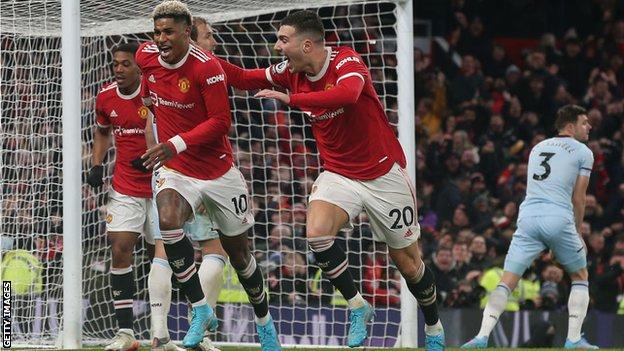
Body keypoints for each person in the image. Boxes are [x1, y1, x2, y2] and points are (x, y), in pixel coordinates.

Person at [215, 10, 445, 350]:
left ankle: (435, 328)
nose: (277, 47)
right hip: (338, 172)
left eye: (283, 40)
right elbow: (245, 77)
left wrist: (292, 100)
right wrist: (200, 57)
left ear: (306, 44)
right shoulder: (289, 72)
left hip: (382, 174)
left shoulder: (346, 61)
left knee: (409, 265)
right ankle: (357, 306)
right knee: (317, 234)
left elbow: (348, 94)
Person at [135, 2, 280, 350]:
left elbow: (220, 123)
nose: (161, 39)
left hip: (218, 173)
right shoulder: (146, 57)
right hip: (177, 171)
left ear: (187, 33)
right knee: (168, 222)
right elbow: (148, 95)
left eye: (169, 32)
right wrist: (152, 115)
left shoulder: (207, 68)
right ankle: (200, 309)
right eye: (157, 32)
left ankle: (265, 324)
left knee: (242, 258)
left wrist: (174, 143)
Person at [461, 105, 598, 349]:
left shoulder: (537, 148)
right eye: (585, 122)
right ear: (570, 126)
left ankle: (481, 337)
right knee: (580, 276)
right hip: (558, 215)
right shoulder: (583, 152)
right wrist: (577, 233)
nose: (589, 127)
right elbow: (579, 197)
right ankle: (574, 339)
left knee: (506, 281)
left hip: (528, 217)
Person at [87, 43, 183, 351]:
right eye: (115, 64)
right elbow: (102, 130)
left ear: (139, 68)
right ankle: (126, 334)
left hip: (161, 186)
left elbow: (172, 130)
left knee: (167, 258)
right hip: (125, 187)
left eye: (125, 64)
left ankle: (162, 333)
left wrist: (153, 155)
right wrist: (96, 164)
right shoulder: (105, 97)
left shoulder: (155, 95)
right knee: (120, 248)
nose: (118, 69)